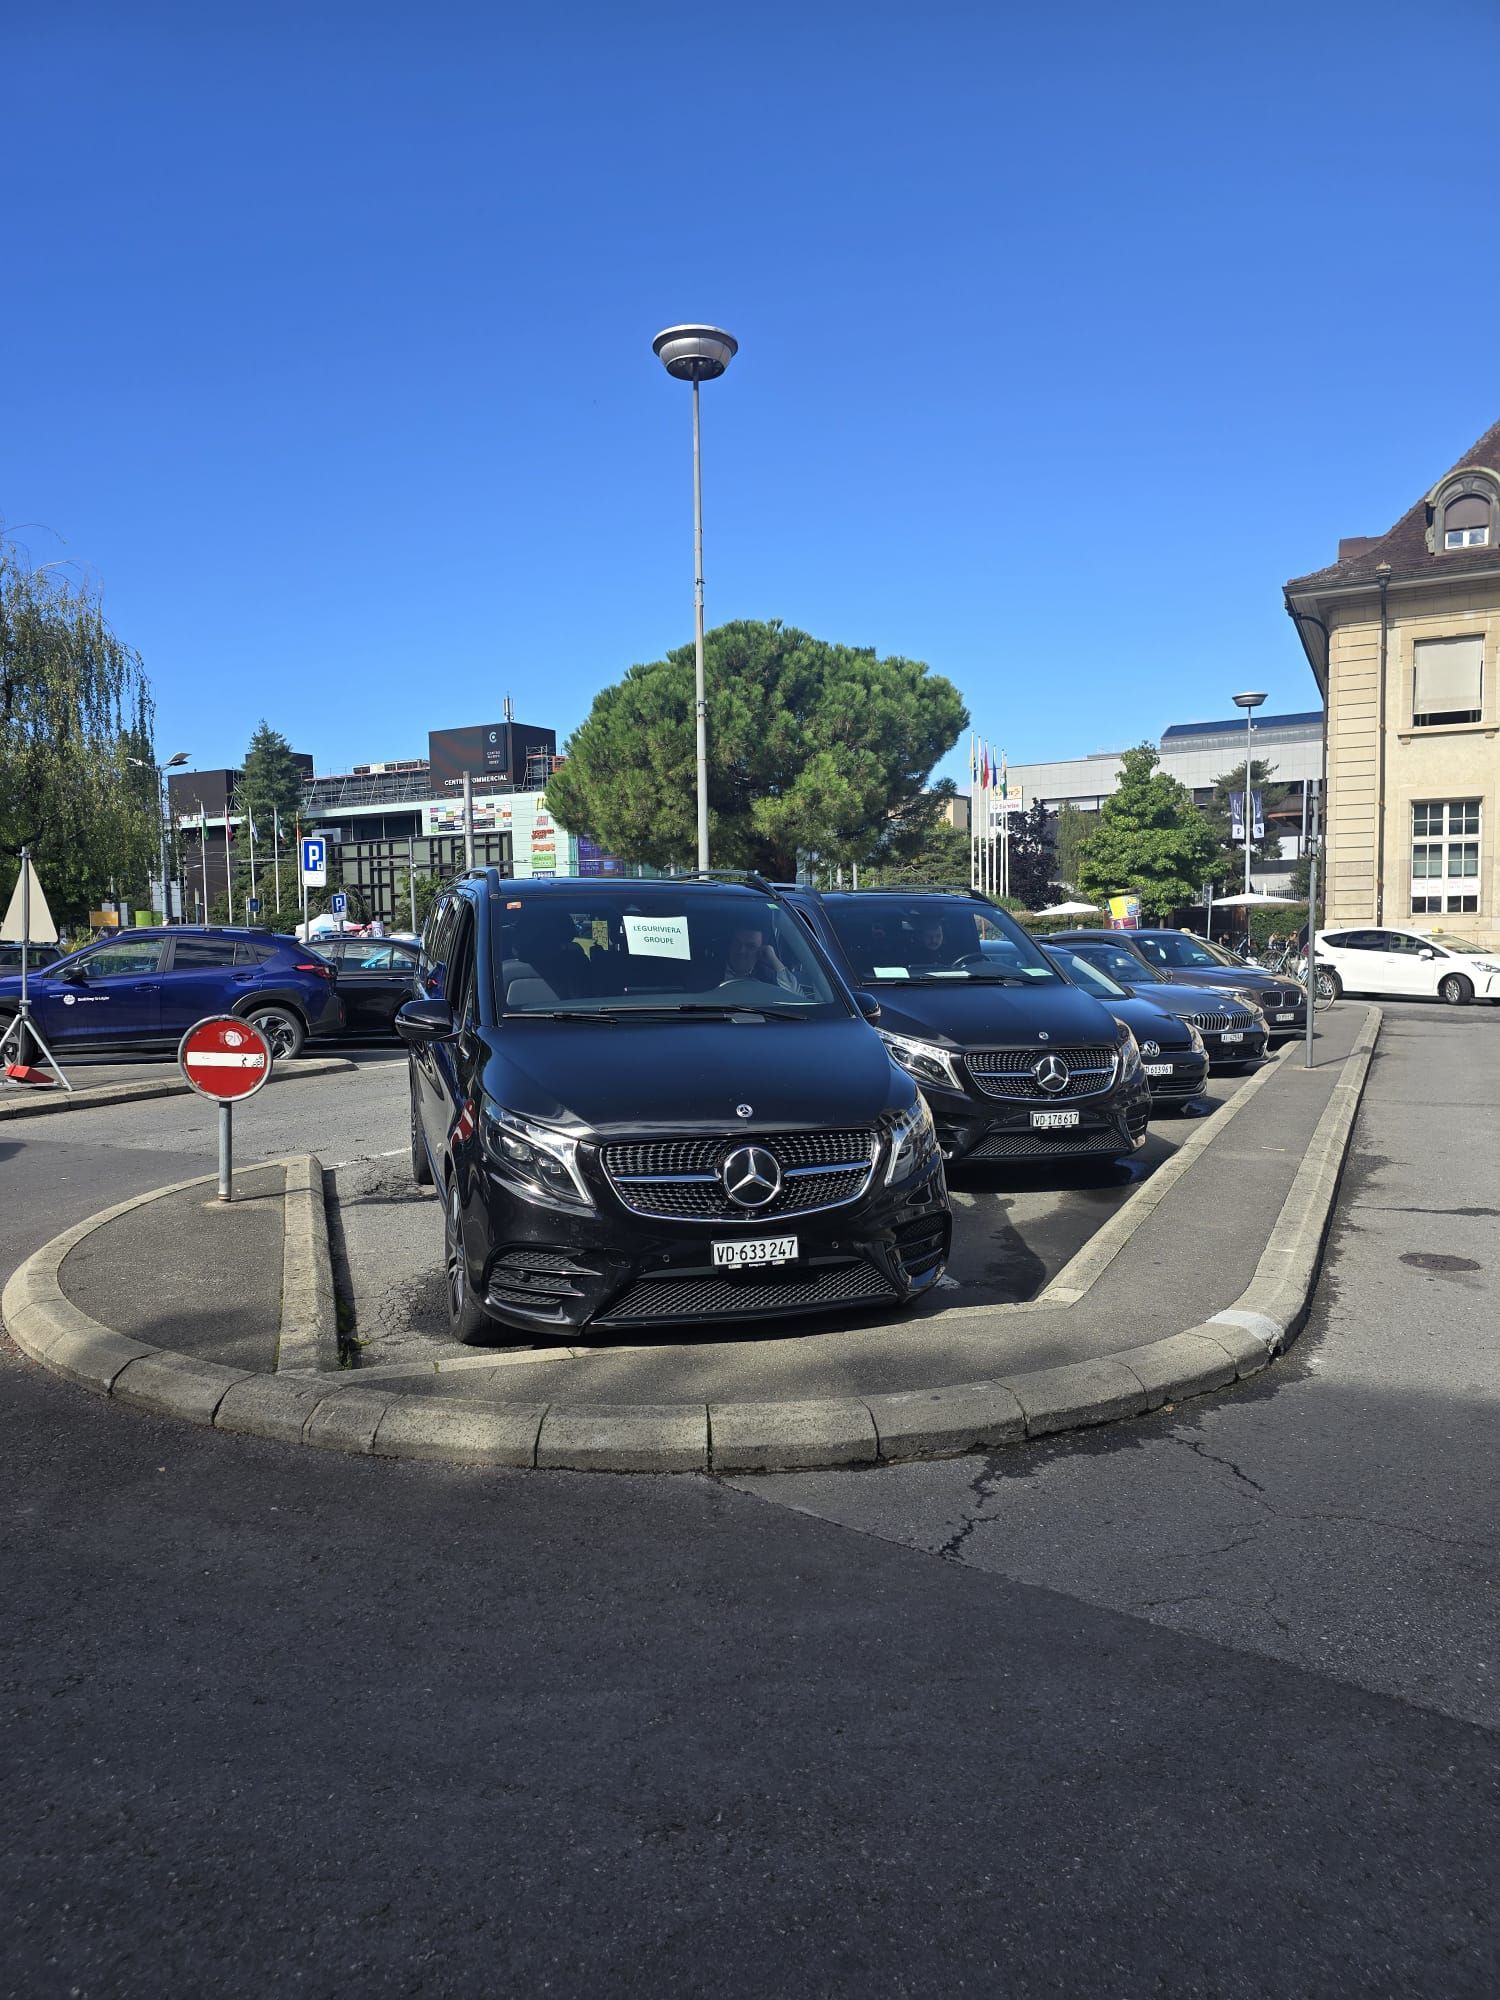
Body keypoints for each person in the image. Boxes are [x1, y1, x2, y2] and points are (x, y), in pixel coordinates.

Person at [722, 925, 796, 990]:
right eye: (737, 942)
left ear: (761, 949)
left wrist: (775, 961)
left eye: (750, 946)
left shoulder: (768, 978)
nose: (741, 950)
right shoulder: (712, 970)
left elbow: (796, 1000)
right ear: (730, 943)